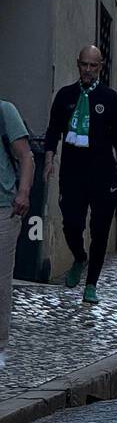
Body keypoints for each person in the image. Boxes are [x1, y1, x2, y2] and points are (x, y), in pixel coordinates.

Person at [43, 46, 117, 305]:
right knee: (71, 224)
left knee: (100, 230)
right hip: (72, 173)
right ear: (78, 64)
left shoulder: (110, 98)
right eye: (84, 64)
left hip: (103, 175)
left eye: (93, 66)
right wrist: (49, 159)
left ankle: (91, 283)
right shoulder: (65, 96)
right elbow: (53, 132)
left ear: (101, 66)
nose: (88, 70)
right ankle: (79, 257)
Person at [0, 99, 34, 368]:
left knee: (0, 278)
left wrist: (23, 193)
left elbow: (26, 156)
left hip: (3, 207)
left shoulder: (5, 110)